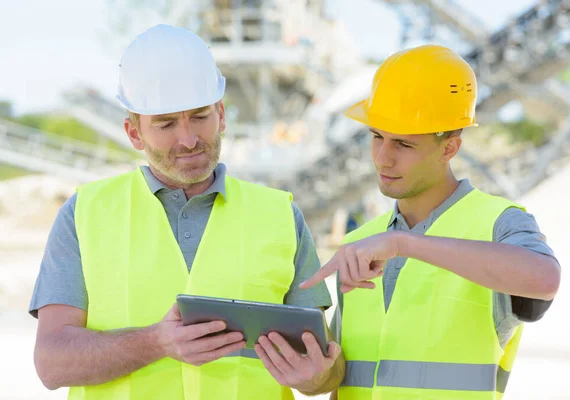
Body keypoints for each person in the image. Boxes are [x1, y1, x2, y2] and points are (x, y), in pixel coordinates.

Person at [29, 24, 344, 400]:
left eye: (200, 116)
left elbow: (326, 370)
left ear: (221, 114)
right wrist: (155, 343)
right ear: (134, 133)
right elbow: (51, 364)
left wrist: (315, 378)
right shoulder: (83, 214)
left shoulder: (281, 216)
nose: (189, 139)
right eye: (165, 124)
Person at [301, 44, 561, 400]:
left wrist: (403, 244)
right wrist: (313, 378)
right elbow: (348, 380)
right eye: (377, 137)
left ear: (450, 148)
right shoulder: (362, 240)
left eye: (404, 145)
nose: (383, 159)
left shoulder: (497, 223)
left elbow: (545, 278)